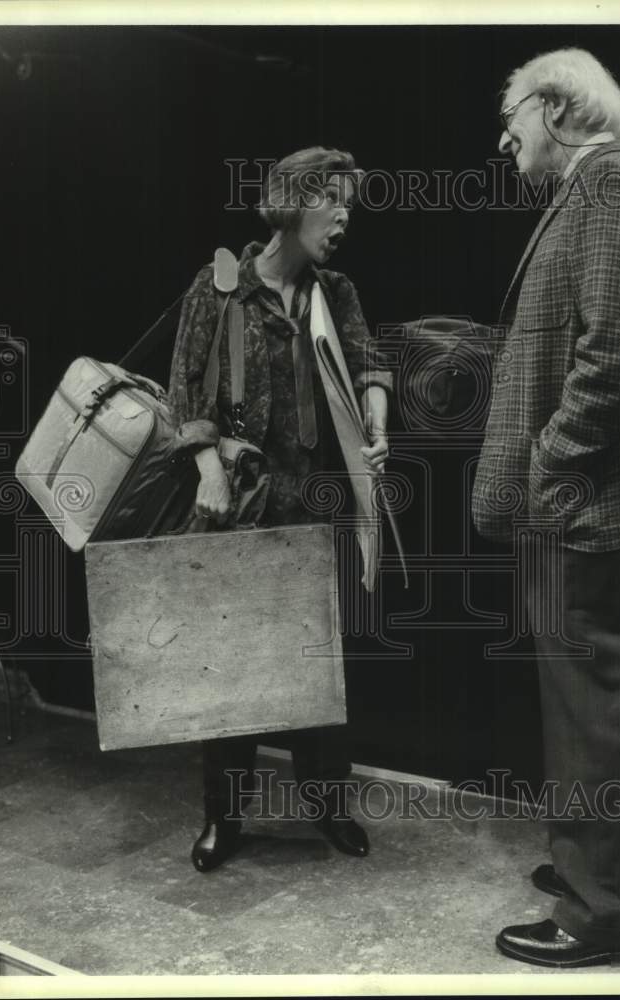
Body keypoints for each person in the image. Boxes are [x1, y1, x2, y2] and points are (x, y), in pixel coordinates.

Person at [470, 49, 620, 967]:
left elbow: (617, 353)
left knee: (595, 716)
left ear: (559, 106)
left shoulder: (611, 187)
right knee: (605, 711)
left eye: (514, 115)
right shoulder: (604, 189)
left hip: (595, 509)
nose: (505, 137)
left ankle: (608, 915)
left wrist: (550, 467)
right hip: (604, 507)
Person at [167, 147, 392, 873]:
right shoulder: (220, 288)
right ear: (296, 204)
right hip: (239, 503)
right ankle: (222, 819)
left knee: (318, 670)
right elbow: (185, 394)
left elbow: (368, 365)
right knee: (232, 671)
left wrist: (377, 420)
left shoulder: (337, 293)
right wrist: (206, 469)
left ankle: (327, 806)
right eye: (337, 202)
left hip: (313, 506)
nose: (346, 218)